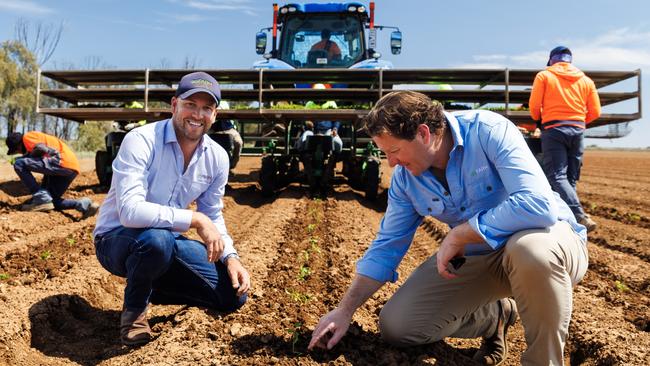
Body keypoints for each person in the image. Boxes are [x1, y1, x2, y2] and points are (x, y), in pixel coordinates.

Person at [309, 91, 589, 365]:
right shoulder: (406, 181)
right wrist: (344, 311)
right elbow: (387, 246)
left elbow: (538, 206)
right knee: (399, 326)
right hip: (482, 257)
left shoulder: (488, 130)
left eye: (394, 151)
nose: (391, 162)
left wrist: (462, 232)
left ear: (423, 133)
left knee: (529, 250)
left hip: (548, 240)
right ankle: (496, 316)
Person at [93, 71, 250, 346]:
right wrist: (195, 219)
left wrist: (231, 257)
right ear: (174, 104)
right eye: (190, 105)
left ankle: (147, 282)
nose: (197, 115)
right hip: (116, 238)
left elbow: (212, 214)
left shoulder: (217, 157)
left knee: (233, 295)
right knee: (156, 240)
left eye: (206, 108)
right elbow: (130, 212)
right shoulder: (141, 140)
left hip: (166, 241)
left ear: (215, 114)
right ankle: (135, 315)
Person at [529, 46, 601, 232]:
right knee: (571, 177)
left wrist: (540, 121)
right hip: (577, 129)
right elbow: (596, 112)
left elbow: (534, 106)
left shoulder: (544, 76)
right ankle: (572, 220)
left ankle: (578, 215)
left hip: (554, 129)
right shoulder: (586, 80)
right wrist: (578, 121)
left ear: (552, 61)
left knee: (557, 176)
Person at [6, 131, 99, 217]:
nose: (19, 152)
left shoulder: (27, 137)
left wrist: (22, 158)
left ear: (18, 146)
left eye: (16, 151)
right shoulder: (36, 139)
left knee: (19, 164)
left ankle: (41, 196)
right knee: (51, 201)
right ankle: (82, 205)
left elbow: (41, 148)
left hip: (60, 162)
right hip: (71, 168)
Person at [211, 100, 243, 170]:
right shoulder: (212, 102)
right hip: (214, 130)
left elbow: (224, 111)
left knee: (238, 142)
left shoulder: (224, 102)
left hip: (229, 129)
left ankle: (232, 164)